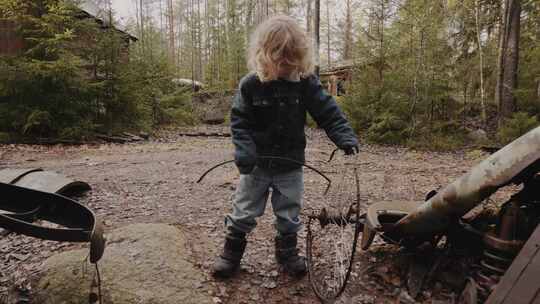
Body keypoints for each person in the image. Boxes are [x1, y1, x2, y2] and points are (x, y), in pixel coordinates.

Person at [213, 15, 359, 279]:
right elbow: (240, 122)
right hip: (256, 166)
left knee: (289, 212)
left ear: (300, 58)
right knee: (244, 211)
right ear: (264, 55)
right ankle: (230, 254)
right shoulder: (251, 85)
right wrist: (244, 151)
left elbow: (328, 112)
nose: (285, 67)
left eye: (292, 61)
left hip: (291, 165)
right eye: (280, 61)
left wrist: (344, 137)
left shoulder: (306, 83)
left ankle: (288, 255)